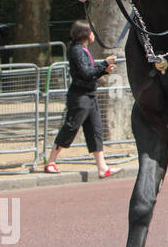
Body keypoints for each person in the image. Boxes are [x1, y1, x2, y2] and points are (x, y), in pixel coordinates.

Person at [42, 21, 119, 177]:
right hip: (80, 97)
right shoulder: (77, 51)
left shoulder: (83, 50)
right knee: (71, 127)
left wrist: (103, 71)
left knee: (95, 130)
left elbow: (89, 72)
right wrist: (104, 63)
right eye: (91, 32)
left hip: (90, 96)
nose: (93, 35)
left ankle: (102, 167)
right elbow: (85, 72)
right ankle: (51, 161)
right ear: (85, 34)